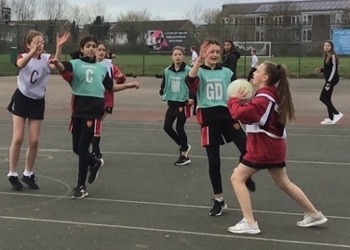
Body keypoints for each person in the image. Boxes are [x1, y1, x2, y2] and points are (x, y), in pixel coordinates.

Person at [227, 61, 328, 234]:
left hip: (264, 147)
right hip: (274, 146)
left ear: (265, 77)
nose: (254, 73)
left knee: (237, 178)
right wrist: (244, 102)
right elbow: (254, 113)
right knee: (283, 182)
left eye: (257, 71)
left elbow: (243, 114)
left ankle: (249, 222)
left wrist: (234, 101)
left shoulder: (263, 97)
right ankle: (314, 214)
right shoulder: (269, 95)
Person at [54, 36, 140, 199]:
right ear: (82, 49)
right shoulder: (75, 64)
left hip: (93, 110)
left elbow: (110, 87)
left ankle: (81, 186)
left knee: (83, 146)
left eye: (94, 46)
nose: (92, 49)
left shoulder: (101, 68)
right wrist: (59, 48)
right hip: (78, 110)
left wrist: (128, 85)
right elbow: (58, 65)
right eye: (88, 46)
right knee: (76, 148)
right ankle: (94, 162)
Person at [187, 39, 256, 217]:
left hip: (228, 116)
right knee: (214, 161)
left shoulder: (227, 72)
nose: (215, 54)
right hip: (209, 120)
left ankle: (243, 174)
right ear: (205, 53)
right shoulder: (199, 71)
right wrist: (199, 61)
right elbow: (190, 80)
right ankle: (219, 199)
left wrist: (244, 98)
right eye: (211, 51)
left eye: (218, 51)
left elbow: (236, 92)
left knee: (248, 149)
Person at [6, 30, 70, 191]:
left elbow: (55, 65)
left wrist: (59, 47)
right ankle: (12, 173)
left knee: (34, 140)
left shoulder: (45, 58)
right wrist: (32, 51)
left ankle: (28, 173)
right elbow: (20, 65)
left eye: (42, 42)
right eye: (37, 42)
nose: (41, 44)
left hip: (37, 101)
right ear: (28, 45)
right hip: (21, 98)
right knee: (18, 138)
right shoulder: (22, 57)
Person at [90, 41, 139, 163]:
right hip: (91, 99)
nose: (101, 52)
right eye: (99, 49)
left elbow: (120, 78)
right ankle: (96, 151)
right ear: (94, 51)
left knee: (97, 122)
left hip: (106, 100)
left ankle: (96, 152)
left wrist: (121, 78)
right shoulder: (89, 65)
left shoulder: (110, 66)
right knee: (91, 125)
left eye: (103, 50)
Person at [159, 46, 193, 166]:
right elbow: (164, 83)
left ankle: (184, 155)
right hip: (172, 102)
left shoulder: (189, 70)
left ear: (183, 56)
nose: (178, 56)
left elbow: (193, 86)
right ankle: (183, 145)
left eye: (180, 54)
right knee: (167, 127)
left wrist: (192, 98)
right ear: (172, 57)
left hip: (183, 103)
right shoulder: (167, 70)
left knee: (179, 127)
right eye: (175, 54)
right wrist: (162, 91)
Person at [315, 40, 343, 125]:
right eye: (325, 45)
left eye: (328, 45)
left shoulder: (333, 56)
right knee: (327, 98)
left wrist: (329, 82)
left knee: (323, 97)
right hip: (329, 79)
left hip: (333, 79)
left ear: (331, 47)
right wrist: (321, 70)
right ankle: (331, 118)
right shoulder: (326, 56)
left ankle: (337, 113)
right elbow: (328, 69)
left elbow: (334, 70)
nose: (326, 47)